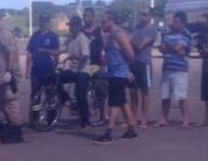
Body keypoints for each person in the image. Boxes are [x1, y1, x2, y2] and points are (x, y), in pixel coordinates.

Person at [94, 11, 138, 144]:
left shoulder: (120, 35)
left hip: (119, 74)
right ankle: (131, 130)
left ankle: (109, 132)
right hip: (114, 73)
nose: (102, 25)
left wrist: (127, 70)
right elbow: (108, 53)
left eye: (103, 22)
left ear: (110, 20)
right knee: (122, 101)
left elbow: (131, 55)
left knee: (114, 103)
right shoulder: (112, 35)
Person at [0, 8, 23, 143]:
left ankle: (17, 132)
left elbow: (12, 53)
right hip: (0, 74)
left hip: (7, 74)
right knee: (0, 102)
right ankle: (8, 131)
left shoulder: (4, 34)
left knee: (10, 102)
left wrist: (9, 71)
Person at [156, 10, 193, 128]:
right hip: (167, 66)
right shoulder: (168, 33)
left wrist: (170, 48)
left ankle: (186, 119)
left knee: (181, 95)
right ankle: (164, 118)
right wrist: (173, 49)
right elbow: (162, 48)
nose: (174, 24)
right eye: (174, 21)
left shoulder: (186, 34)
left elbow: (179, 48)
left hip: (180, 69)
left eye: (176, 22)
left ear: (183, 23)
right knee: (165, 95)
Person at [26, 13, 61, 126]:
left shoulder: (53, 36)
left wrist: (47, 52)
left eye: (45, 21)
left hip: (49, 70)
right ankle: (34, 119)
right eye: (42, 21)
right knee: (35, 96)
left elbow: (57, 53)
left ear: (49, 23)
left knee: (51, 95)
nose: (43, 24)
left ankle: (51, 119)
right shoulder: (35, 36)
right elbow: (30, 54)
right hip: (36, 70)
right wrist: (27, 70)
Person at [58, 16, 91, 128]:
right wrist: (47, 51)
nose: (70, 28)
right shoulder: (70, 37)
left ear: (78, 26)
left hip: (83, 70)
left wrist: (73, 56)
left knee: (80, 95)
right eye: (70, 26)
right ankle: (64, 98)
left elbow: (85, 56)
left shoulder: (82, 38)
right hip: (73, 69)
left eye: (72, 26)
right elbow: (61, 50)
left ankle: (85, 121)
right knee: (57, 79)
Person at [129, 8, 158, 129]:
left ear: (150, 16)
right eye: (141, 14)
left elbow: (140, 45)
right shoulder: (137, 28)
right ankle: (133, 118)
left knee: (145, 91)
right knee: (132, 91)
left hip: (144, 62)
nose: (142, 16)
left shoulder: (152, 29)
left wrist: (131, 39)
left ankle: (144, 119)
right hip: (133, 62)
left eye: (145, 14)